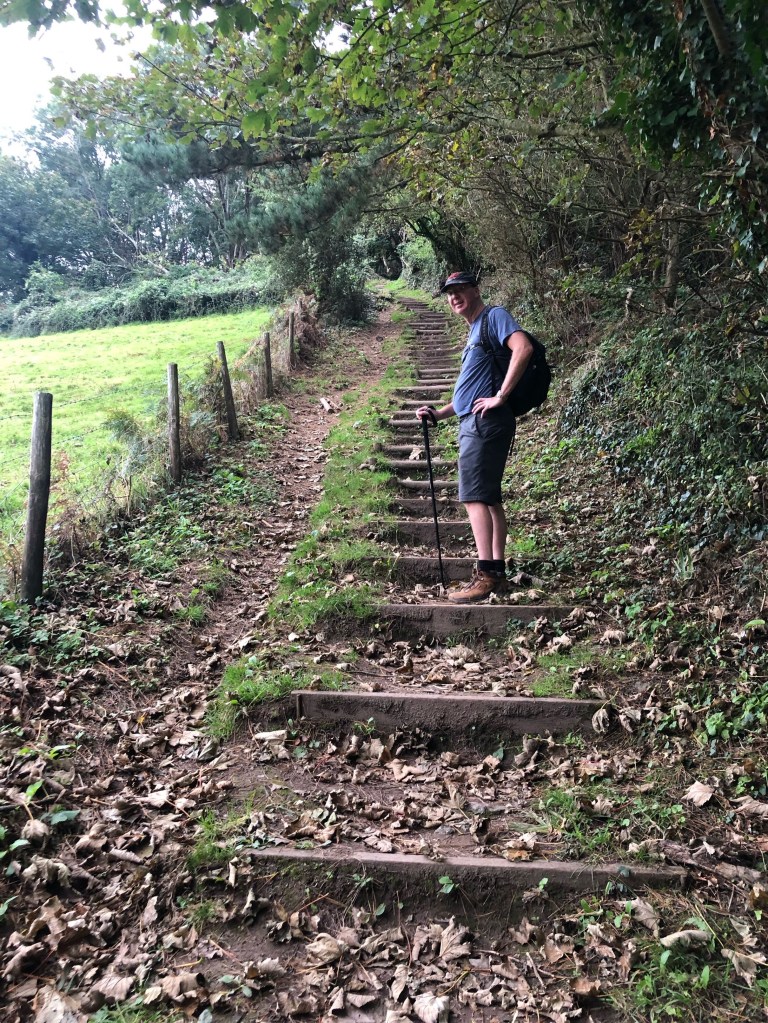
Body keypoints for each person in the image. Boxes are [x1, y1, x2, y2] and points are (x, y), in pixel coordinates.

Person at [416, 271, 533, 603]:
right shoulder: (475, 332)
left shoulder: (494, 317)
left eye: (461, 289)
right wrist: (439, 413)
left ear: (476, 290)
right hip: (478, 420)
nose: (454, 297)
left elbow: (523, 347)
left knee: (474, 497)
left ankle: (486, 576)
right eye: (449, 293)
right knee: (490, 499)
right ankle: (496, 571)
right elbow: (469, 393)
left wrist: (501, 396)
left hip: (484, 422)